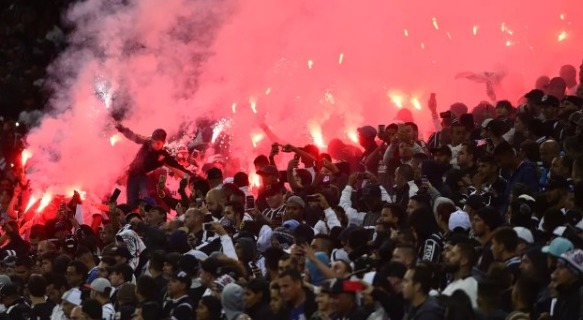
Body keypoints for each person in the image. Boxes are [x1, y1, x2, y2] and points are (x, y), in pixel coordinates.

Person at [115, 124, 194, 207]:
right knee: (131, 201)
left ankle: (151, 210)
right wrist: (120, 128)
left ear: (163, 142)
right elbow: (133, 136)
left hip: (143, 177)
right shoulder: (147, 142)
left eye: (158, 143)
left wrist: (192, 176)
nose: (155, 145)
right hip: (132, 173)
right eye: (153, 142)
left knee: (145, 198)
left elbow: (178, 167)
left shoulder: (164, 156)